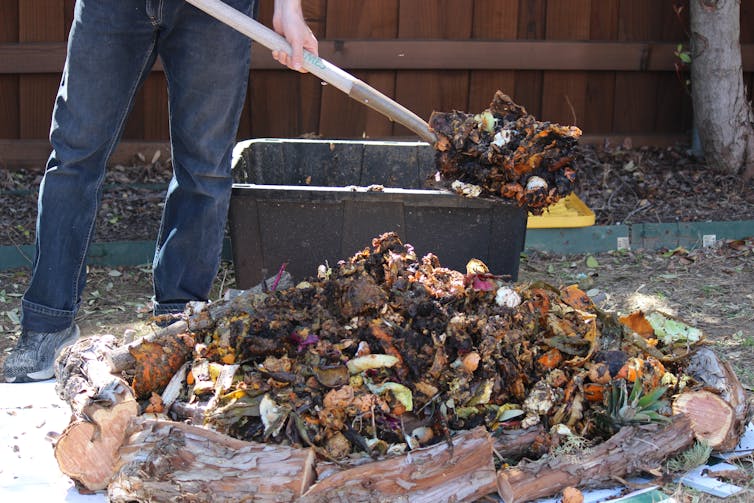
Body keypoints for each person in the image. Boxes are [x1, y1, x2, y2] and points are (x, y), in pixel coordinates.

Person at [3, 0, 318, 383]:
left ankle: (178, 325)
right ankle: (47, 325)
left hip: (217, 11)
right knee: (74, 156)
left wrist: (288, 8)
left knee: (203, 168)